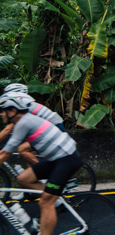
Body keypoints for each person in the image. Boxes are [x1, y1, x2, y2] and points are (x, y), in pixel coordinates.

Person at [0, 94, 82, 235]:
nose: (1, 114)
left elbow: (5, 154)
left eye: (3, 110)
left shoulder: (24, 123)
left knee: (45, 202)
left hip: (67, 159)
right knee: (23, 179)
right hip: (55, 159)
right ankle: (53, 195)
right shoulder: (23, 121)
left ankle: (51, 198)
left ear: (13, 111)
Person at [1, 84, 65, 167]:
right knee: (28, 154)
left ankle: (41, 172)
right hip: (54, 126)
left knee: (23, 149)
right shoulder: (26, 105)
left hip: (56, 128)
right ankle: (33, 177)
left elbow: (8, 129)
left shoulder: (23, 107)